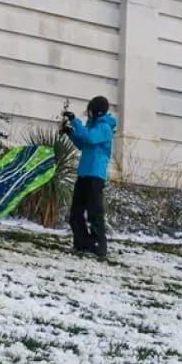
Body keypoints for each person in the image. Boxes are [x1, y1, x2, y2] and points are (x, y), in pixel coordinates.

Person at [62, 96, 116, 261]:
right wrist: (70, 133)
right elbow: (83, 143)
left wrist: (74, 121)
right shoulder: (92, 126)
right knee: (76, 213)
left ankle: (99, 246)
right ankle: (82, 244)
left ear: (97, 111)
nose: (89, 113)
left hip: (95, 176)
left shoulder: (104, 127)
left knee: (94, 213)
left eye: (91, 110)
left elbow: (90, 137)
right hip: (84, 174)